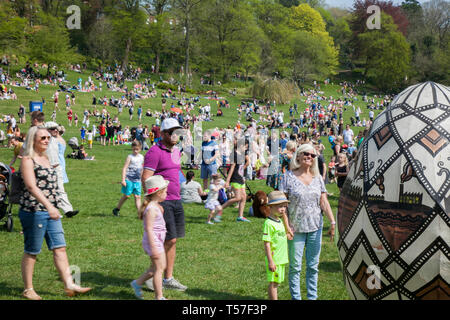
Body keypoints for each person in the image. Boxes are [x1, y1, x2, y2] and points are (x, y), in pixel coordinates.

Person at [19, 126, 91, 300]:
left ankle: (69, 284)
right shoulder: (28, 160)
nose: (46, 140)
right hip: (35, 211)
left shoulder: (45, 158)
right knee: (32, 251)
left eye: (47, 138)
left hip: (52, 211)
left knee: (60, 248)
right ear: (32, 140)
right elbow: (31, 186)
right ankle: (28, 289)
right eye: (42, 138)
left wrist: (55, 206)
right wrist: (49, 206)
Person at [279, 144, 336, 300]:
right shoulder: (287, 177)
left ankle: (312, 297)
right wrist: (286, 225)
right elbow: (282, 205)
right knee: (295, 267)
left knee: (312, 267)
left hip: (315, 228)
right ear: (298, 155)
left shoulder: (317, 178)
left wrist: (332, 222)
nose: (309, 157)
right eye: (306, 154)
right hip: (295, 228)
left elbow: (323, 201)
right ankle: (296, 298)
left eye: (312, 155)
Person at [142, 118, 187, 291]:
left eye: (178, 132)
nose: (175, 135)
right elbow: (146, 177)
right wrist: (152, 202)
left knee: (173, 241)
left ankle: (167, 278)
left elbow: (175, 172)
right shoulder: (154, 151)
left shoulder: (176, 151)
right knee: (168, 239)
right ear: (162, 134)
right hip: (163, 202)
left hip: (176, 199)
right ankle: (154, 275)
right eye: (171, 132)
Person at [131, 175, 169, 300]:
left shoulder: (157, 206)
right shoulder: (151, 209)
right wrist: (153, 246)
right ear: (158, 193)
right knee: (159, 269)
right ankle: (159, 297)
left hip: (157, 241)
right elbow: (148, 228)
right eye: (165, 192)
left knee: (157, 267)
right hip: (153, 242)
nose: (167, 194)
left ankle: (137, 283)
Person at [45, 122, 79, 218]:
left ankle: (68, 210)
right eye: (53, 129)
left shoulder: (56, 140)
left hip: (57, 167)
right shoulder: (44, 141)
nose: (55, 130)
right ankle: (53, 211)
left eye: (56, 129)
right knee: (48, 191)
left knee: (60, 189)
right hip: (46, 168)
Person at [263, 191, 289, 300]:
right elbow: (267, 244)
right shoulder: (268, 223)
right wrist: (271, 261)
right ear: (271, 207)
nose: (283, 209)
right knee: (273, 283)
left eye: (284, 206)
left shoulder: (278, 220)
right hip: (275, 259)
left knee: (276, 283)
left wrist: (287, 233)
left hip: (281, 258)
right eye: (280, 206)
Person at [221, 138, 250, 222]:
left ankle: (240, 216)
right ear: (241, 146)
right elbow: (232, 168)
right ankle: (219, 208)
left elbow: (246, 164)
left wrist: (243, 173)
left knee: (244, 197)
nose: (246, 148)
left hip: (241, 178)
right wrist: (227, 181)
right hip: (235, 178)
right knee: (237, 198)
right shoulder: (234, 154)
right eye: (245, 147)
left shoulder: (243, 153)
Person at [112, 141, 144, 217]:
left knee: (138, 197)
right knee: (127, 195)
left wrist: (142, 178)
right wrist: (123, 180)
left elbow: (142, 168)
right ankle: (116, 209)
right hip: (129, 179)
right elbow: (124, 168)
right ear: (132, 149)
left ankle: (140, 214)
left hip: (137, 180)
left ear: (140, 149)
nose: (135, 151)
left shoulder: (142, 157)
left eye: (137, 149)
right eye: (134, 149)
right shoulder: (130, 157)